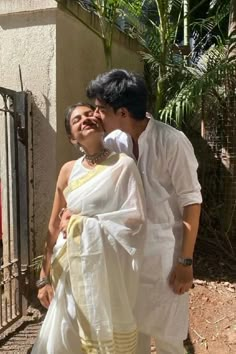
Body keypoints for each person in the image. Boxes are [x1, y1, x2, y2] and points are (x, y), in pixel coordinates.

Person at [86, 69, 202, 354]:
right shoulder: (115, 144)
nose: (95, 114)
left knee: (169, 340)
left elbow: (191, 202)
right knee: (131, 335)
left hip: (165, 259)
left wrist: (185, 262)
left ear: (122, 112)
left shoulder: (171, 141)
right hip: (127, 260)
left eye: (101, 109)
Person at [32, 103, 146, 354]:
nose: (86, 120)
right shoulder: (68, 171)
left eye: (89, 115)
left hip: (108, 271)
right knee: (69, 332)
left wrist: (82, 221)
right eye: (77, 120)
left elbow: (136, 220)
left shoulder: (123, 165)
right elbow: (53, 225)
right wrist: (43, 278)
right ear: (72, 137)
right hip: (69, 270)